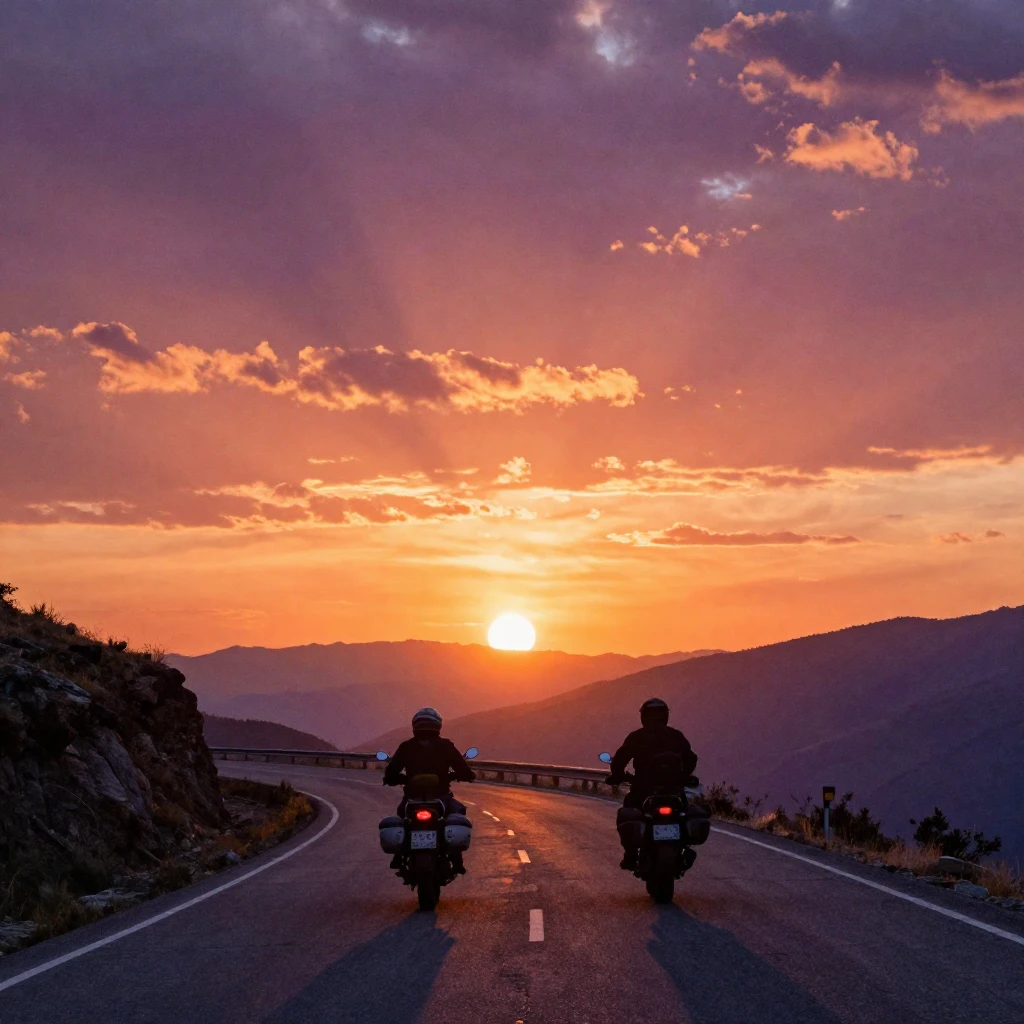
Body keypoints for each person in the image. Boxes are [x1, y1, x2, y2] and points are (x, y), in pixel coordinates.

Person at [605, 697, 698, 870]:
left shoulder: (636, 737)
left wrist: (617, 776)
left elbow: (619, 760)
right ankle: (685, 849)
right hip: (673, 791)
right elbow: (691, 758)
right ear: (666, 716)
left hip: (643, 790)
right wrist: (684, 775)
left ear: (643, 716)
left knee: (627, 814)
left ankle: (631, 855)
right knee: (683, 813)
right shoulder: (675, 736)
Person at [383, 707, 475, 873]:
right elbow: (462, 768)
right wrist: (466, 775)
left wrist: (395, 779)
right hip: (441, 796)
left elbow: (391, 772)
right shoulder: (446, 746)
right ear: (438, 726)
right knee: (458, 812)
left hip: (412, 797)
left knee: (402, 816)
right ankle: (457, 859)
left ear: (415, 726)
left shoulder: (406, 747)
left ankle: (398, 855)